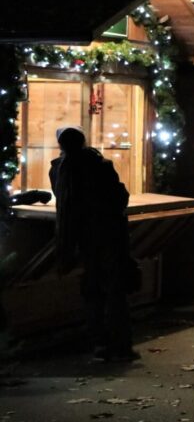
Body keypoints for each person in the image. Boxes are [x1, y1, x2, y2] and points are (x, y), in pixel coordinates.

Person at [49, 125, 137, 362]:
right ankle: (120, 344)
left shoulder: (58, 169)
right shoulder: (100, 165)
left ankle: (98, 341)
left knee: (92, 290)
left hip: (79, 237)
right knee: (115, 290)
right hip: (108, 234)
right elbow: (120, 197)